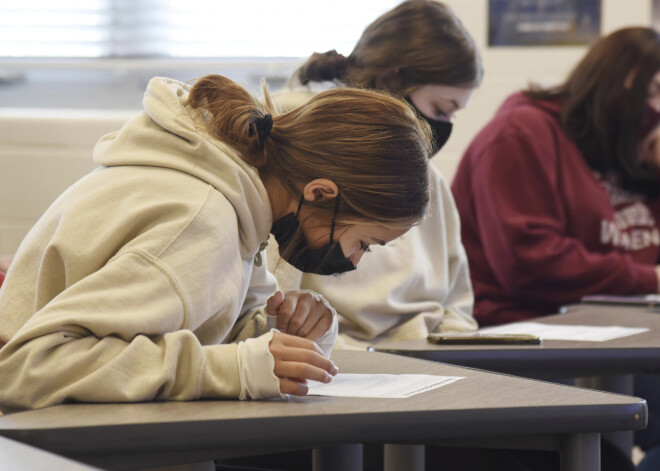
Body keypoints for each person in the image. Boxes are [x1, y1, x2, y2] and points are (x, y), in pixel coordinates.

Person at [0, 73, 431, 412]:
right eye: (364, 242)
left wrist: (277, 332)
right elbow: (27, 368)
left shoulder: (240, 202)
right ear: (320, 193)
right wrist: (232, 370)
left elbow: (195, 321)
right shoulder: (198, 222)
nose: (353, 261)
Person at [452, 27, 660, 470]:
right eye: (655, 93)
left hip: (611, 336)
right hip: (521, 338)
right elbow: (532, 264)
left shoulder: (628, 152)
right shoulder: (521, 133)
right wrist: (648, 278)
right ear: (621, 86)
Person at [269, 0, 482, 349]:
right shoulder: (300, 151)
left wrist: (455, 356)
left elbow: (457, 306)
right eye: (440, 110)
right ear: (389, 81)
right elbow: (274, 306)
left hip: (425, 356)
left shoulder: (429, 180)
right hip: (339, 356)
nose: (441, 129)